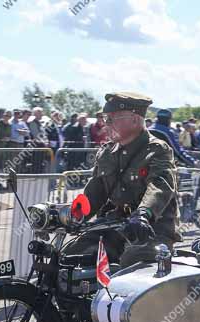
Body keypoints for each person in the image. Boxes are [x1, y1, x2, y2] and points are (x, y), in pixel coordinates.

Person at [68, 92, 180, 267]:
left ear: (135, 119)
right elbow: (94, 194)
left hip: (152, 230)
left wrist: (144, 214)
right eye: (105, 118)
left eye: (112, 118)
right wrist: (71, 216)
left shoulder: (157, 149)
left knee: (133, 262)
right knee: (68, 256)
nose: (106, 123)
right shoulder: (106, 152)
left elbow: (160, 185)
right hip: (113, 226)